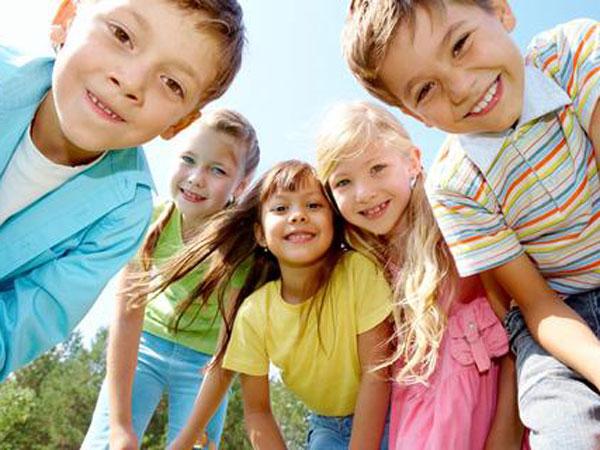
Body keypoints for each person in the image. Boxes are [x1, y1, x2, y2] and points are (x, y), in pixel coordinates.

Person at [342, 1, 600, 448]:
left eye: (460, 44)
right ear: (417, 117)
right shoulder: (453, 185)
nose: (460, 88)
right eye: (426, 90)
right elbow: (538, 305)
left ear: (501, 11)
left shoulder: (573, 54)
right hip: (558, 321)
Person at [0, 0, 245, 380]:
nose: (131, 82)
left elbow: (22, 327)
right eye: (121, 35)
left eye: (172, 84)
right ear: (66, 19)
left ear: (180, 123)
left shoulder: (124, 214)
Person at [315, 100, 526, 450]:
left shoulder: (455, 229)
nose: (363, 193)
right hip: (419, 423)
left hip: (488, 413)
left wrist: (507, 432)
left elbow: (516, 327)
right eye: (343, 182)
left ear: (412, 161)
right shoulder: (364, 267)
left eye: (377, 168)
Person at [143, 160, 394, 449]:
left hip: (388, 410)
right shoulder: (254, 313)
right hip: (327, 426)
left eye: (313, 205)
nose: (298, 216)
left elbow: (377, 375)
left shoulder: (358, 271)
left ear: (334, 221)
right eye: (281, 208)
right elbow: (257, 412)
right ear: (261, 234)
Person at [81, 109, 259, 449]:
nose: (196, 178)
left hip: (204, 365)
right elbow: (127, 315)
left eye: (217, 170)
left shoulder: (241, 249)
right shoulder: (148, 220)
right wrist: (120, 426)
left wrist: (190, 437)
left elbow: (226, 352)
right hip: (144, 345)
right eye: (188, 160)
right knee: (107, 442)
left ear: (240, 185)